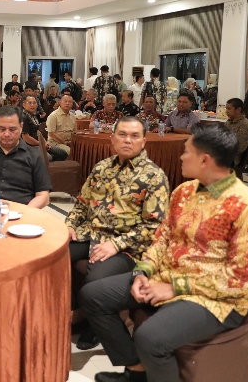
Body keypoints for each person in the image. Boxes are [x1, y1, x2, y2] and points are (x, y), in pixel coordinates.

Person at [79, 123, 248, 382]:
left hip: (216, 298)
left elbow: (238, 280)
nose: (181, 157)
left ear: (204, 160)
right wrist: (142, 271)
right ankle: (136, 370)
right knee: (92, 295)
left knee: (150, 337)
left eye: (186, 152)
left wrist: (175, 288)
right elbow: (161, 238)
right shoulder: (184, 191)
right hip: (165, 277)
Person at [67, 117, 170, 350]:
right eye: (122, 135)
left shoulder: (154, 176)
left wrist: (116, 244)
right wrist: (70, 225)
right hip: (91, 233)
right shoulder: (101, 167)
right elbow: (82, 203)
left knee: (96, 277)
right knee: (56, 255)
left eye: (134, 136)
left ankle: (94, 325)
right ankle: (75, 312)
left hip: (128, 246)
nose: (127, 140)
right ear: (112, 139)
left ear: (143, 141)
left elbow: (154, 226)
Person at [0, 106, 52, 208]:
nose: (7, 134)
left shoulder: (34, 156)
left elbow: (43, 196)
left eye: (12, 129)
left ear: (21, 127)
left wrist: (26, 212)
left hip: (22, 211)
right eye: (2, 129)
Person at [224, 97, 248, 168]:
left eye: (229, 109)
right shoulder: (229, 122)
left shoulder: (244, 125)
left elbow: (240, 147)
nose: (226, 111)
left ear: (238, 110)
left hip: (233, 158)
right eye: (226, 109)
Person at [46, 94, 76, 161]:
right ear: (60, 102)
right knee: (70, 152)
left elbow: (74, 132)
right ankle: (68, 167)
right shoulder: (53, 116)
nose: (67, 103)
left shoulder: (73, 116)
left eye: (69, 102)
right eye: (65, 101)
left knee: (82, 150)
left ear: (72, 104)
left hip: (69, 142)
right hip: (55, 143)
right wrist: (65, 142)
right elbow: (51, 133)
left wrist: (72, 142)